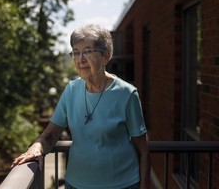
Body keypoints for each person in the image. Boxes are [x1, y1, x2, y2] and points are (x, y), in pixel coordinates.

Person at [11, 24, 150, 189]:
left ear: (106, 56)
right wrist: (36, 148)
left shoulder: (127, 94)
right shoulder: (71, 90)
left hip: (122, 185)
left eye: (88, 51)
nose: (80, 59)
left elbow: (143, 151)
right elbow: (50, 135)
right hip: (76, 184)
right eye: (75, 52)